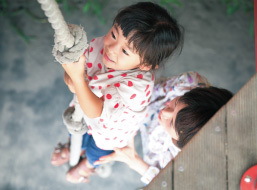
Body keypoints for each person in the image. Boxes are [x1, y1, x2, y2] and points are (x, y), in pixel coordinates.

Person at [50, 2, 183, 183]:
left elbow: (96, 111)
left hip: (110, 132)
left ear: (145, 65)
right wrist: (73, 80)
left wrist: (78, 80)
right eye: (113, 34)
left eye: (125, 51)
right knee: (77, 131)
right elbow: (72, 77)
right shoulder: (100, 46)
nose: (112, 48)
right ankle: (72, 147)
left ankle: (88, 166)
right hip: (83, 111)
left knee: (96, 153)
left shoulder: (137, 87)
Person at [94, 71, 233, 184]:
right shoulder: (188, 83)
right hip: (142, 106)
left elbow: (166, 183)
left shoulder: (187, 162)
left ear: (181, 144)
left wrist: (133, 160)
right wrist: (131, 115)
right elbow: (150, 89)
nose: (165, 112)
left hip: (151, 143)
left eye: (172, 122)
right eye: (177, 101)